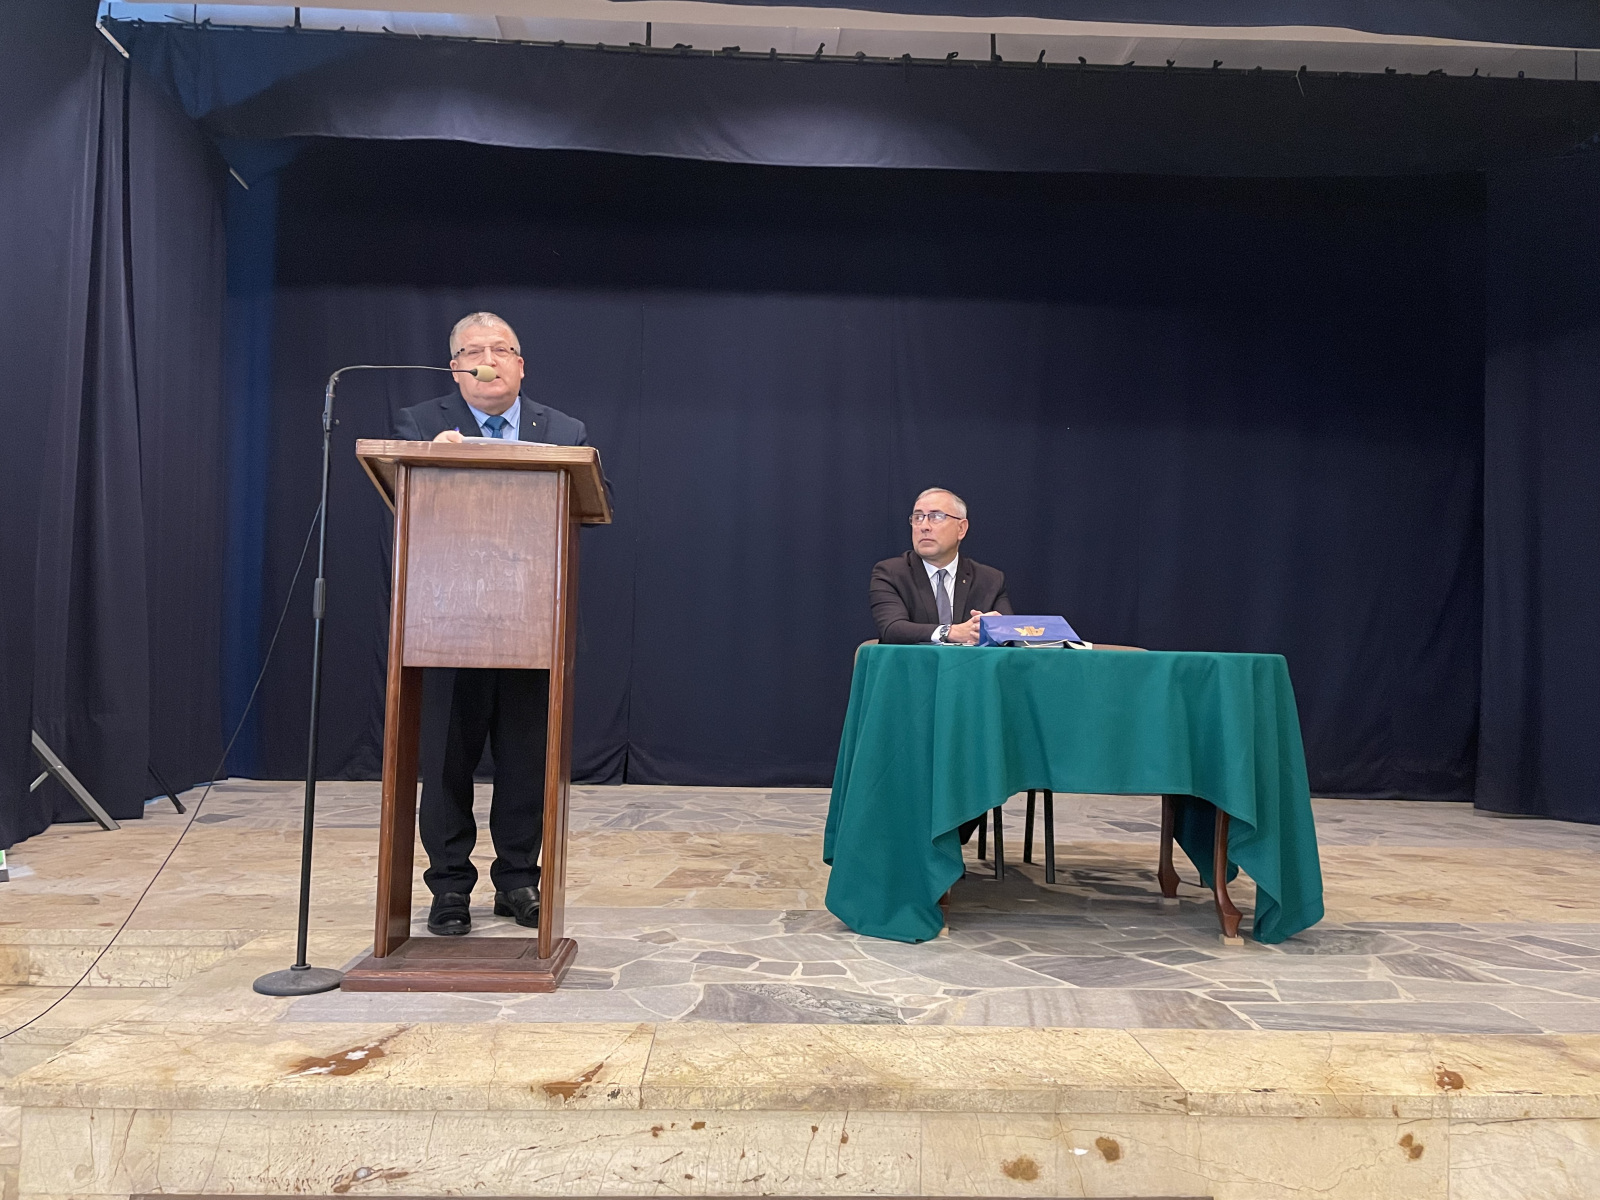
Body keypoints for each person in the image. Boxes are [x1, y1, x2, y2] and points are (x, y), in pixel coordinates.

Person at [393, 311, 597, 937]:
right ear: (454, 368)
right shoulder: (420, 425)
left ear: (521, 365)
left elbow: (595, 500)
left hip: (530, 617)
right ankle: (449, 887)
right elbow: (397, 496)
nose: (488, 361)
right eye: (473, 351)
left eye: (501, 350)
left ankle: (518, 882)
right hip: (446, 619)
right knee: (445, 763)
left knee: (525, 760)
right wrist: (431, 458)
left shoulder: (562, 430)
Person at [870, 487, 1012, 645]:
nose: (924, 526)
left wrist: (996, 630)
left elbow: (1009, 634)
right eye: (918, 517)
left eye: (936, 517)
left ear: (961, 528)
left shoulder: (989, 580)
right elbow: (892, 629)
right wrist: (949, 632)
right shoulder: (890, 573)